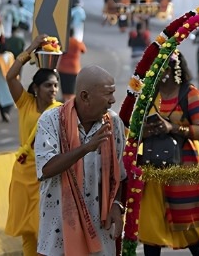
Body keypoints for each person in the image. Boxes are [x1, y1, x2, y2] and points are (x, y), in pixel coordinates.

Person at [34, 65, 126, 256]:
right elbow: (46, 169)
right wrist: (85, 148)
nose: (113, 100)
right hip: (58, 230)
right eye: (108, 94)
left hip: (100, 229)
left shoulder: (113, 123)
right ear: (85, 97)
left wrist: (116, 205)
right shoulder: (50, 120)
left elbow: (119, 174)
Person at [139, 51, 199, 255]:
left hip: (184, 170)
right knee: (151, 227)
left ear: (174, 69)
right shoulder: (149, 96)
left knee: (189, 226)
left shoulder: (192, 95)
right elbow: (133, 128)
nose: (155, 71)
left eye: (161, 67)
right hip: (153, 170)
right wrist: (145, 131)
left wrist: (172, 128)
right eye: (154, 67)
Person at [4, 34, 62, 256]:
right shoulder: (24, 103)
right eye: (48, 85)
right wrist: (31, 48)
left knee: (43, 230)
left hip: (46, 174)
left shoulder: (59, 110)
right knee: (27, 232)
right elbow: (10, 76)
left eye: (56, 85)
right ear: (36, 88)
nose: (53, 90)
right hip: (22, 173)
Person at [58, 28, 87, 101]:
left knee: (64, 85)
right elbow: (84, 50)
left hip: (63, 68)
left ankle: (64, 99)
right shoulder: (77, 42)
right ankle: (70, 101)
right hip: (74, 68)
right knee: (72, 86)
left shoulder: (63, 42)